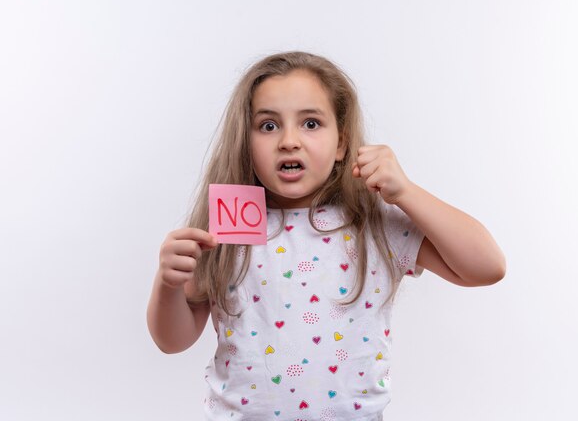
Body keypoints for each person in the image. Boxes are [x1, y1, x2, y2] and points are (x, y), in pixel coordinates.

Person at [147, 51, 506, 420]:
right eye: (268, 126)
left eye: (311, 124)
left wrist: (408, 193)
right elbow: (172, 340)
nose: (289, 141)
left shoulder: (374, 225)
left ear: (340, 143)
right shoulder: (225, 228)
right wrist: (168, 285)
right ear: (245, 141)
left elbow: (486, 266)